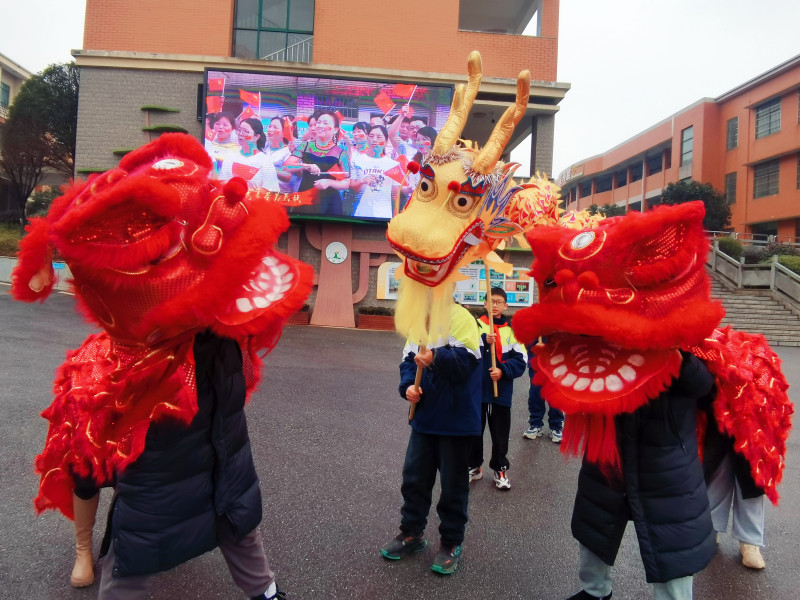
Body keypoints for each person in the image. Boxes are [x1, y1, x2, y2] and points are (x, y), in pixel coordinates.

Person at [566, 352, 716, 600]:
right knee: (594, 525)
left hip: (666, 459)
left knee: (673, 543)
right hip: (608, 449)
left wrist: (679, 360)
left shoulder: (687, 331)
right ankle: (595, 591)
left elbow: (705, 387)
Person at [380, 303, 482, 575]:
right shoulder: (418, 319)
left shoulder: (460, 317)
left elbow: (465, 364)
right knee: (414, 479)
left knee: (453, 487)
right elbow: (407, 361)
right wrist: (408, 387)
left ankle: (451, 542)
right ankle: (412, 533)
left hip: (456, 420)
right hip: (424, 419)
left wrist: (434, 357)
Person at [467, 288, 527, 490]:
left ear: (505, 306)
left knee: (500, 433)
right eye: (490, 301)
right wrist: (484, 343)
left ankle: (500, 468)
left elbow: (521, 360)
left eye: (499, 301)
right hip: (477, 391)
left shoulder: (512, 330)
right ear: (484, 304)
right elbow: (465, 353)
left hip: (500, 392)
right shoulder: (474, 326)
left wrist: (502, 370)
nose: (494, 305)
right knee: (474, 431)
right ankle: (474, 466)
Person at [703, 408, 767, 570]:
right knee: (717, 469)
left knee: (752, 473)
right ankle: (710, 530)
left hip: (754, 403)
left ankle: (750, 540)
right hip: (719, 398)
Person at [283, 110, 351, 215]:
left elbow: (347, 182)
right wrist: (305, 165)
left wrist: (329, 182)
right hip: (306, 197)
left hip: (329, 201)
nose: (320, 125)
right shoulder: (304, 146)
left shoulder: (341, 152)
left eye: (325, 123)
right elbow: (286, 167)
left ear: (335, 129)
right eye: (319, 122)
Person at [350, 124, 400, 219]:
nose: (374, 140)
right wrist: (362, 181)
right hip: (361, 213)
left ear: (385, 142)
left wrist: (395, 216)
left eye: (379, 137)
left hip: (384, 215)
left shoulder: (394, 165)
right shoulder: (356, 161)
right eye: (371, 136)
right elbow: (352, 188)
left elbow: (395, 194)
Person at [221, 117, 280, 192]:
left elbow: (271, 190)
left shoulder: (265, 161)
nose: (240, 134)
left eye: (246, 131)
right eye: (239, 130)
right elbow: (222, 182)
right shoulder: (231, 157)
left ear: (256, 137)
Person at [523, 338, 564, 443]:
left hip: (555, 363)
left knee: (555, 394)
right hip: (536, 363)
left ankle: (556, 426)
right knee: (536, 394)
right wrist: (533, 345)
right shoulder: (532, 322)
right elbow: (525, 336)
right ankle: (535, 424)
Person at [264, 116, 293, 193]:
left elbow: (288, 176)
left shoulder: (287, 153)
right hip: (264, 193)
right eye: (270, 126)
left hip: (280, 195)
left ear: (284, 132)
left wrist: (268, 167)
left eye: (275, 127)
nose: (270, 130)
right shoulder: (265, 148)